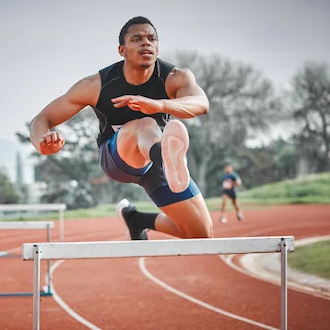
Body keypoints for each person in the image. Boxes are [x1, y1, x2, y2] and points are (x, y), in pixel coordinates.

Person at [29, 16, 213, 240]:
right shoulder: (96, 85)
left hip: (156, 165)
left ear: (157, 47)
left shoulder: (174, 77)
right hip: (116, 158)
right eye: (137, 39)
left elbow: (201, 103)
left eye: (151, 38)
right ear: (122, 50)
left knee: (201, 234)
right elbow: (42, 119)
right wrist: (42, 144)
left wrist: (160, 104)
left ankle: (137, 219)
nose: (146, 43)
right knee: (145, 124)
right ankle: (166, 158)